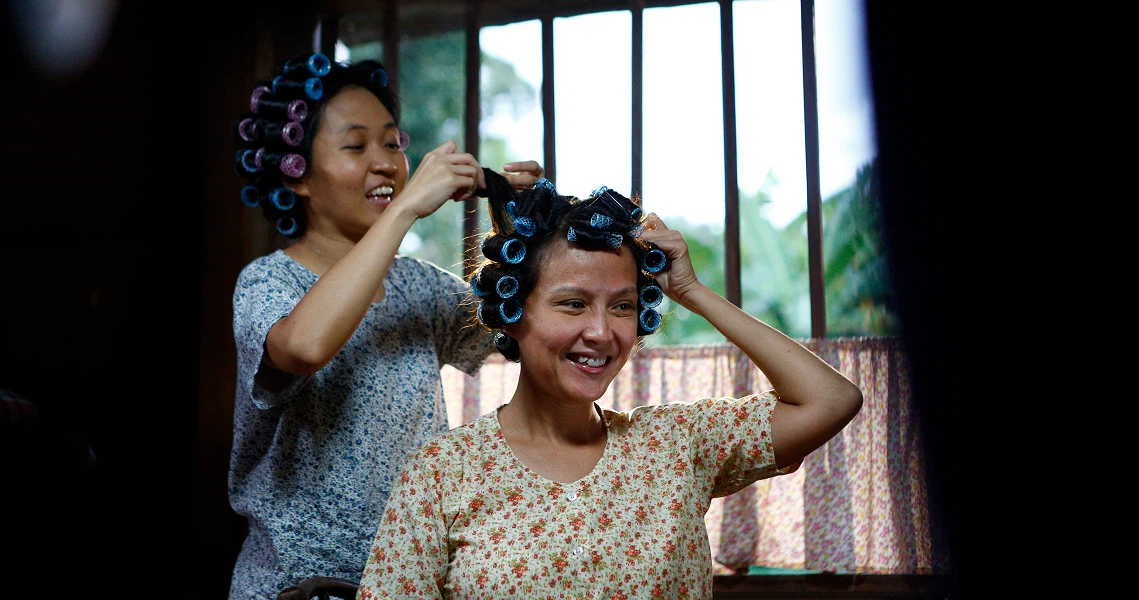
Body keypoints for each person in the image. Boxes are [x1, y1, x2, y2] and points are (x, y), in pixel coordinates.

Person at [355, 171, 864, 599]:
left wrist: (690, 291)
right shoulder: (443, 472)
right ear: (512, 313)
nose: (601, 332)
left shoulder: (677, 445)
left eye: (621, 306)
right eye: (573, 303)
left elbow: (832, 399)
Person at [228, 53, 544, 599]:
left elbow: (528, 326)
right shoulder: (265, 283)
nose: (387, 164)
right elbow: (303, 346)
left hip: (408, 585)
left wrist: (518, 215)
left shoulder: (420, 286)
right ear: (295, 176)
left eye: (393, 144)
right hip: (293, 587)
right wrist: (405, 213)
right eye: (356, 146)